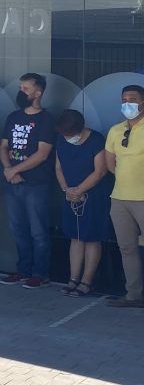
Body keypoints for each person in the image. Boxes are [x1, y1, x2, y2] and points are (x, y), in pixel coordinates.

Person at [0, 73, 56, 289]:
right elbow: (3, 146)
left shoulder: (46, 119)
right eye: (20, 87)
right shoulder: (13, 116)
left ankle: (40, 273)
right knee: (18, 228)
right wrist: (8, 169)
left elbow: (42, 154)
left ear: (38, 93)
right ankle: (23, 269)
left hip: (36, 183)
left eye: (26, 88)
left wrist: (15, 170)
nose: (21, 92)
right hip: (12, 181)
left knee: (38, 230)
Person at [55, 109, 110, 297]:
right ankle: (73, 279)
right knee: (75, 237)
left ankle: (87, 281)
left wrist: (79, 190)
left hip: (92, 196)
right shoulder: (62, 139)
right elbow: (58, 166)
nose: (67, 138)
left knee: (91, 237)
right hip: (70, 195)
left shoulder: (96, 140)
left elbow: (100, 171)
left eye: (70, 134)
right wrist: (66, 190)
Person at [104, 85, 144, 307]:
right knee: (127, 248)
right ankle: (133, 294)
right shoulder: (116, 130)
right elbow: (110, 163)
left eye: (133, 99)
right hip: (120, 197)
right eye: (124, 100)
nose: (127, 103)